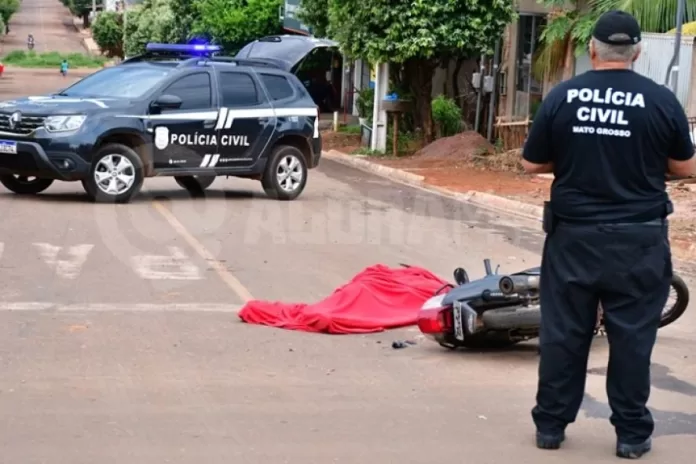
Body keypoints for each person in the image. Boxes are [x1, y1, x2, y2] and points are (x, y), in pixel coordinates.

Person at [521, 9, 696, 460]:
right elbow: (686, 168)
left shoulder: (562, 97)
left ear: (592, 50)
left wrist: (578, 157)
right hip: (638, 242)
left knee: (564, 335)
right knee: (633, 339)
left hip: (573, 240)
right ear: (636, 51)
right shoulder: (661, 101)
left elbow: (531, 163)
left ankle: (550, 427)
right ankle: (632, 435)